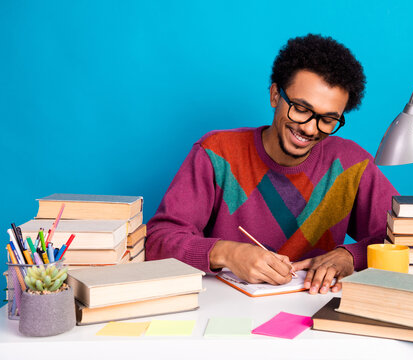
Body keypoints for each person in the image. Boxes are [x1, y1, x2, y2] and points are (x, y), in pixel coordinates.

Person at [146, 34, 399, 294]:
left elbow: (406, 236)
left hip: (313, 312)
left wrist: (350, 257)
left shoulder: (349, 164)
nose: (311, 128)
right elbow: (158, 241)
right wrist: (226, 253)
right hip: (223, 312)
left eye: (328, 119)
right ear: (276, 95)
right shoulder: (217, 153)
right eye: (301, 109)